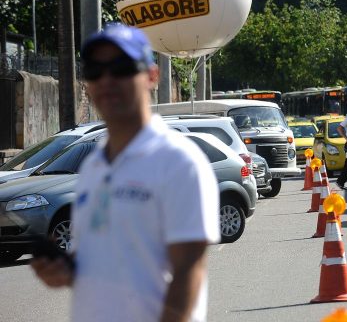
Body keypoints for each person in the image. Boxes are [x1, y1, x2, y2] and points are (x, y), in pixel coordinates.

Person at [31, 23, 220, 322]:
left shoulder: (179, 161)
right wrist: (64, 273)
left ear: (152, 76)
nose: (107, 80)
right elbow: (94, 265)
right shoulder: (94, 165)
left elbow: (188, 272)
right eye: (95, 70)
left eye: (121, 67)